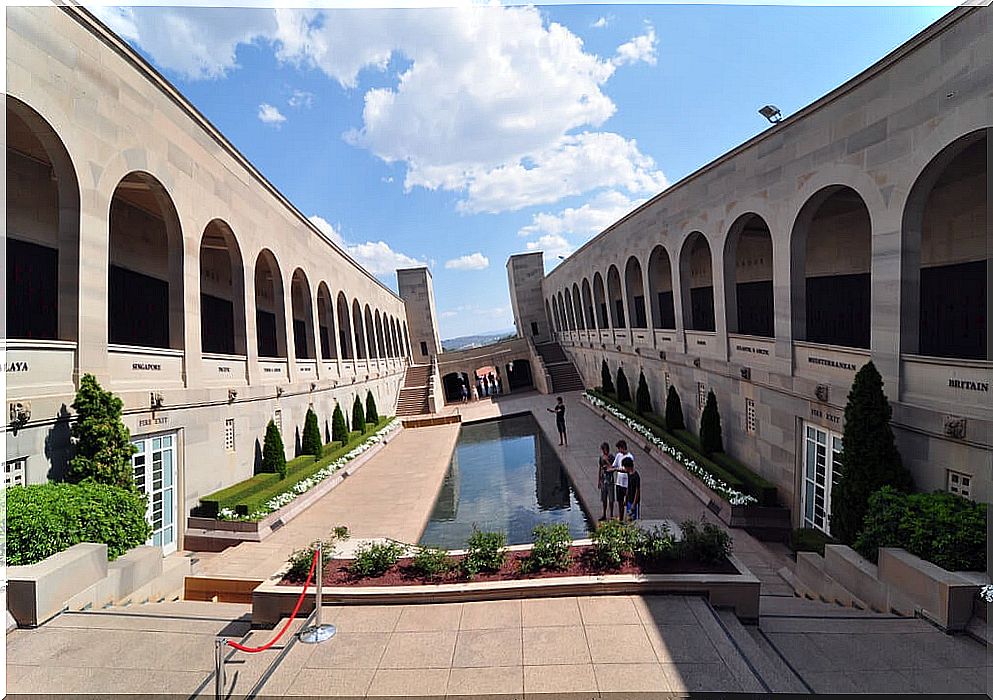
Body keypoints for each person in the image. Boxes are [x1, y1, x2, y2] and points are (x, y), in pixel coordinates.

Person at [612, 440, 633, 519]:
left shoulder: (630, 457)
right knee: (620, 502)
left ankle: (628, 518)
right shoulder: (618, 455)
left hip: (626, 483)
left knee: (627, 502)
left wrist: (615, 470)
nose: (619, 450)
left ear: (623, 447)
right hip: (619, 482)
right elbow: (614, 465)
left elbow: (627, 469)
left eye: (619, 448)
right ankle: (620, 518)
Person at [597, 442, 615, 521]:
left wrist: (607, 461)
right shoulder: (601, 457)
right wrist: (599, 480)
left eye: (604, 450)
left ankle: (611, 515)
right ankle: (604, 514)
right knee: (604, 499)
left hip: (610, 480)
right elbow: (600, 468)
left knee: (611, 499)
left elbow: (613, 467)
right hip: (603, 480)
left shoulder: (611, 457)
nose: (604, 452)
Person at [623, 456, 640, 521]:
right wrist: (625, 498)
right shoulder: (629, 474)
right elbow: (628, 486)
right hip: (629, 500)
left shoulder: (636, 476)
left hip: (634, 501)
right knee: (628, 518)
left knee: (634, 519)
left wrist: (634, 504)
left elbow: (637, 490)